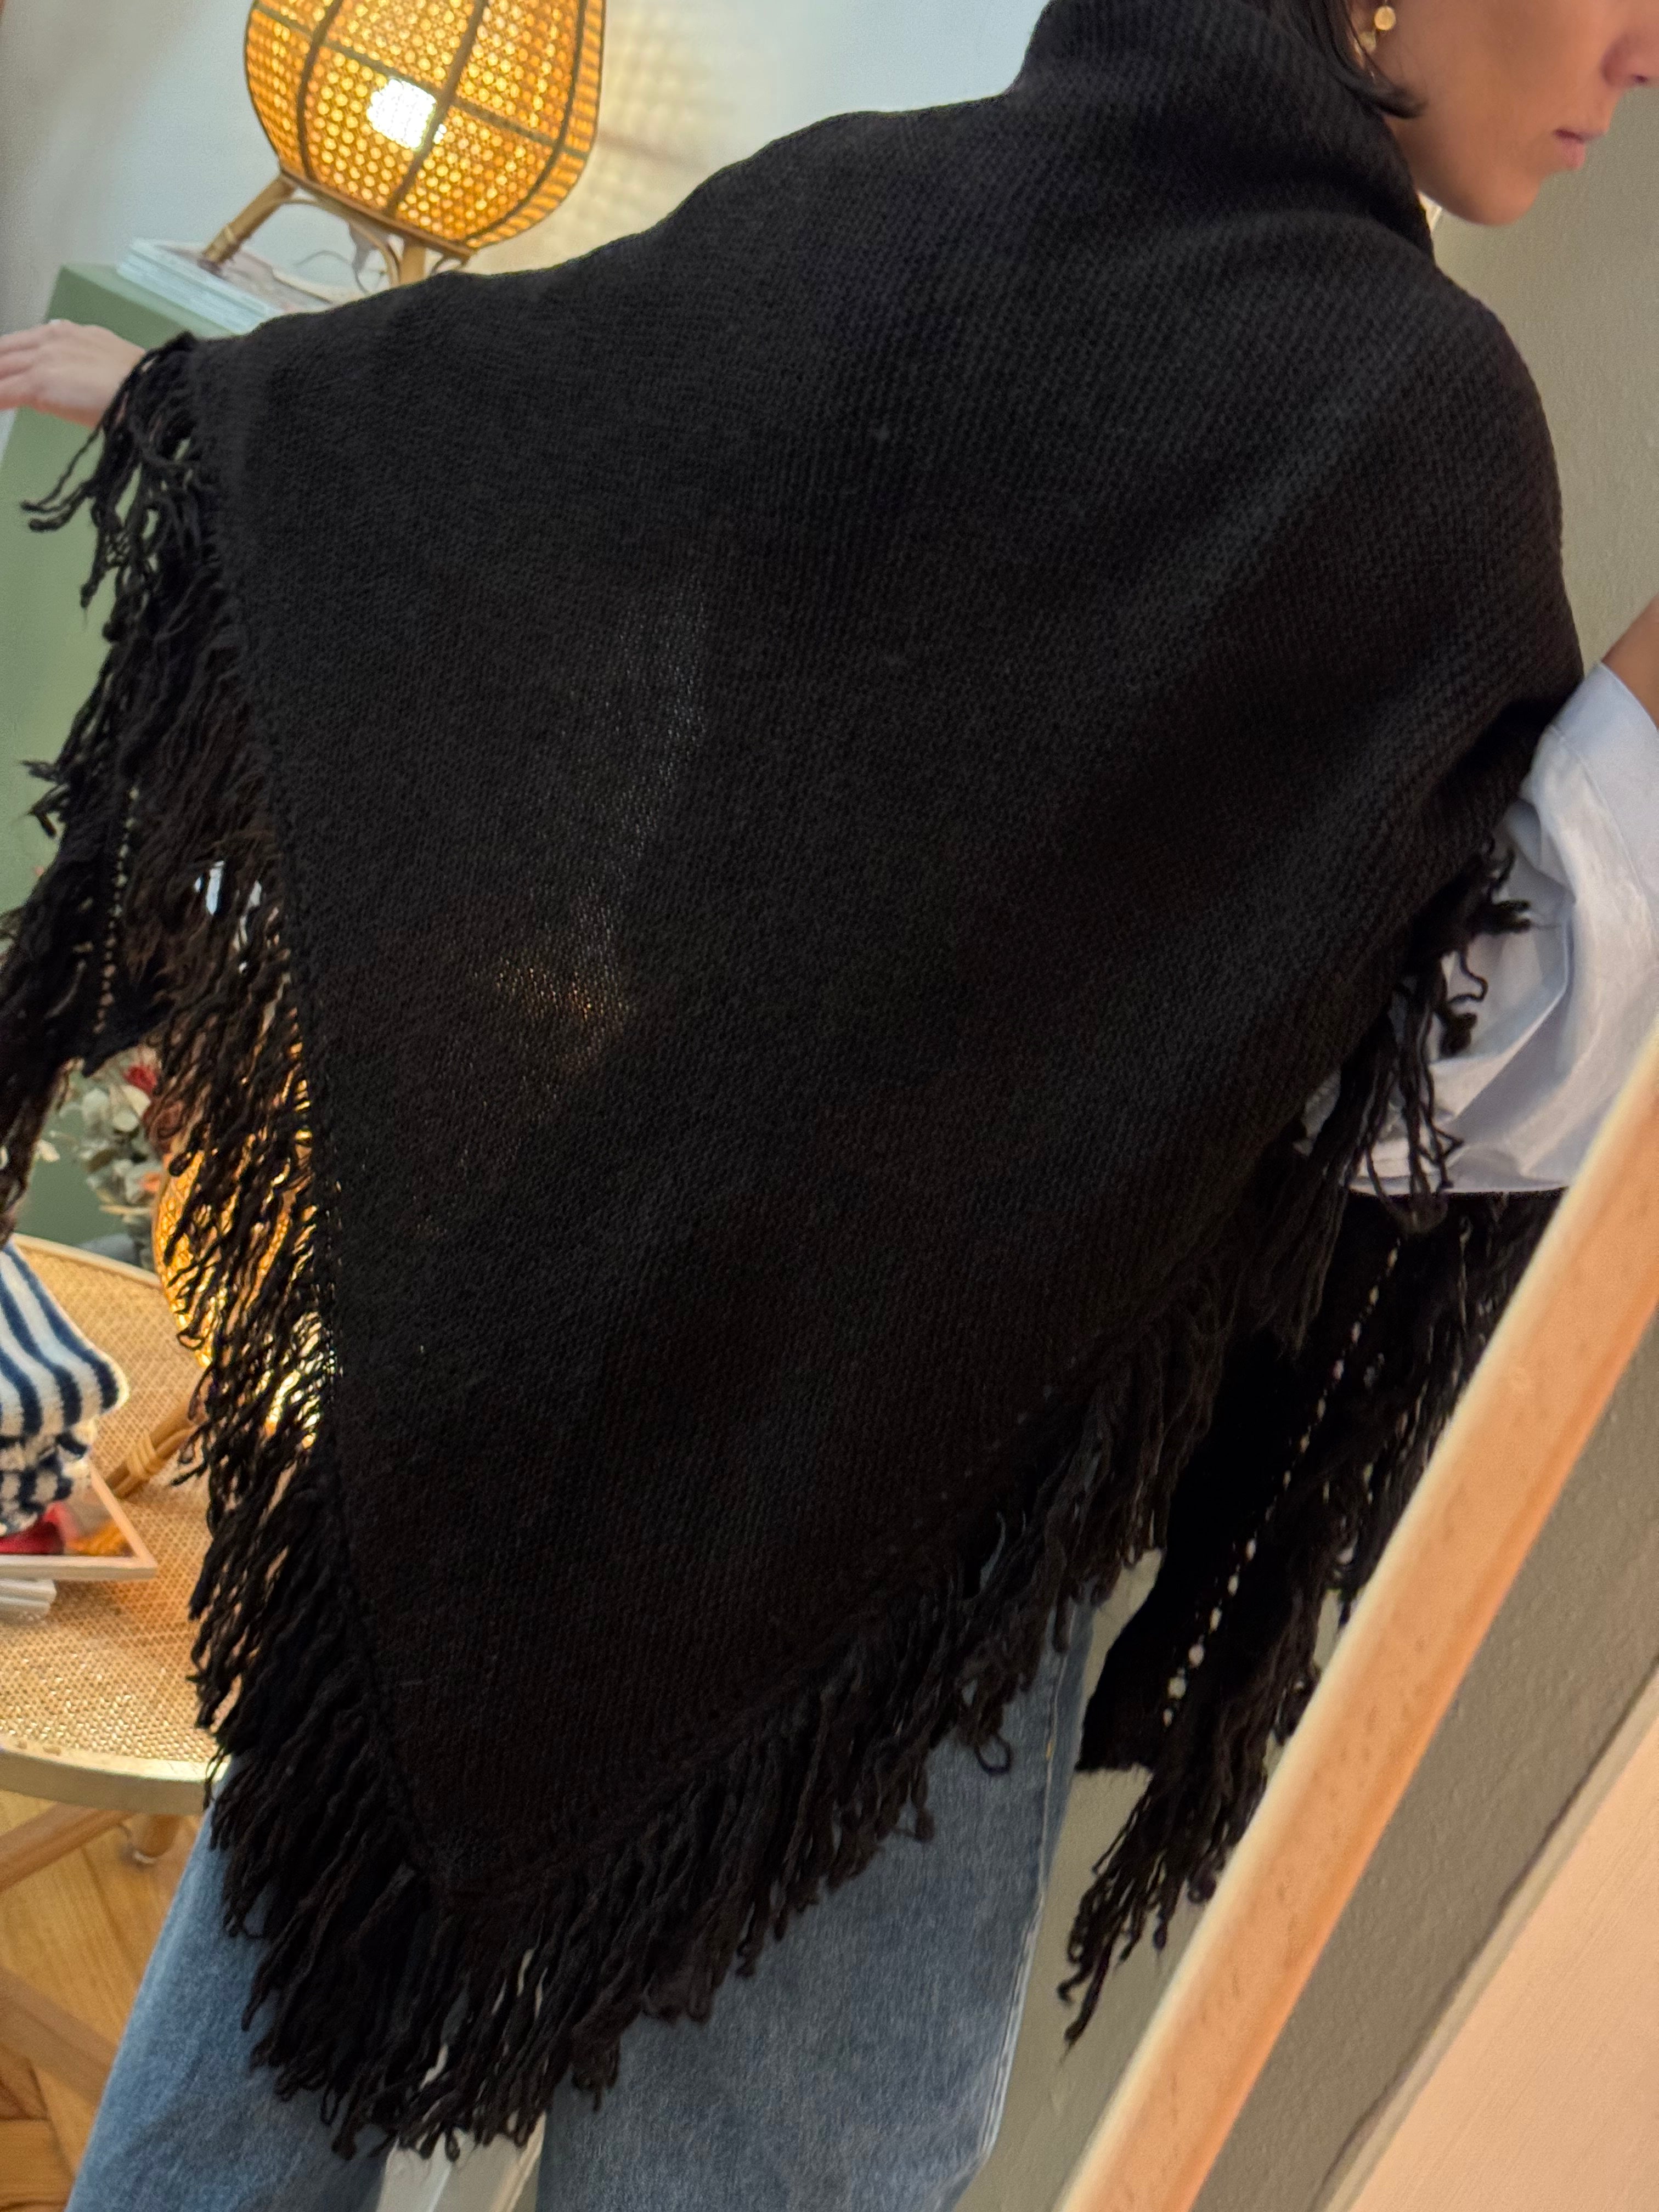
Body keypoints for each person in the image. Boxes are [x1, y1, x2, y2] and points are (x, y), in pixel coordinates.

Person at [1, 3, 1657, 2208]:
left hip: (524, 1359)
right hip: (906, 1514)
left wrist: (232, 412)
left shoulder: (884, 202)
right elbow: (1435, 1068)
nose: (1642, 51)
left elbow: (516, 452)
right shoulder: (1407, 421)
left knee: (264, 2064)